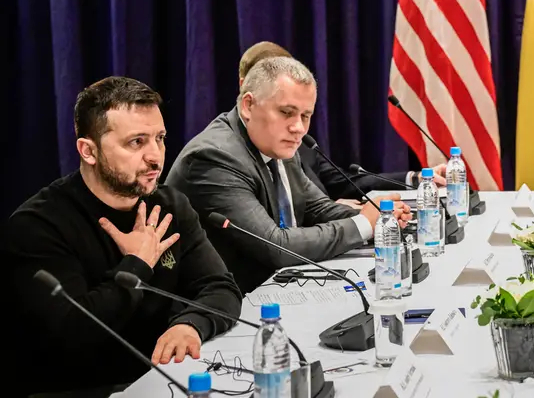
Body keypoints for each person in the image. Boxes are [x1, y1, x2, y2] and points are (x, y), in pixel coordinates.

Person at [1, 77, 242, 397]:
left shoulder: (169, 206)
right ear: (88, 151)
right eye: (136, 142)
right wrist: (137, 264)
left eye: (160, 138)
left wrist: (192, 324)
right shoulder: (38, 227)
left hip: (161, 379)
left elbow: (221, 287)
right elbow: (71, 335)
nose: (156, 157)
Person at [167, 57, 411, 292]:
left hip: (269, 288)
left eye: (305, 116)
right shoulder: (215, 157)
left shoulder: (277, 143)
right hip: (212, 308)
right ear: (248, 105)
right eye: (286, 112)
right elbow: (277, 247)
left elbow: (319, 209)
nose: (298, 128)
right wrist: (363, 224)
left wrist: (381, 218)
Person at [238, 41, 446, 207]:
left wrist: (416, 178)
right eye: (285, 111)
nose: (297, 126)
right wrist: (333, 211)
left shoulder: (297, 136)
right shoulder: (230, 153)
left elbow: (343, 181)